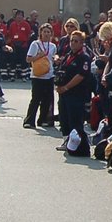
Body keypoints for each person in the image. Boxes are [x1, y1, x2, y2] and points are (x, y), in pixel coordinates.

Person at [55, 23, 95, 153]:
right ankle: (67, 141)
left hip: (76, 94)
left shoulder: (84, 57)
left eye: (76, 41)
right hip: (64, 94)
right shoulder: (68, 55)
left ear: (82, 43)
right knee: (64, 119)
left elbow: (80, 76)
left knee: (75, 121)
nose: (73, 43)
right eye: (71, 40)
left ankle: (80, 147)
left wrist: (66, 87)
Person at [23, 23, 61, 129]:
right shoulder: (35, 44)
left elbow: (53, 56)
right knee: (35, 99)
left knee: (47, 99)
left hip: (49, 75)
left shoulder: (53, 46)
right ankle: (29, 120)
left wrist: (56, 58)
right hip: (37, 76)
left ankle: (43, 119)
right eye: (44, 32)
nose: (46, 34)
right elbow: (28, 59)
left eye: (48, 32)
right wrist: (39, 55)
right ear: (41, 33)